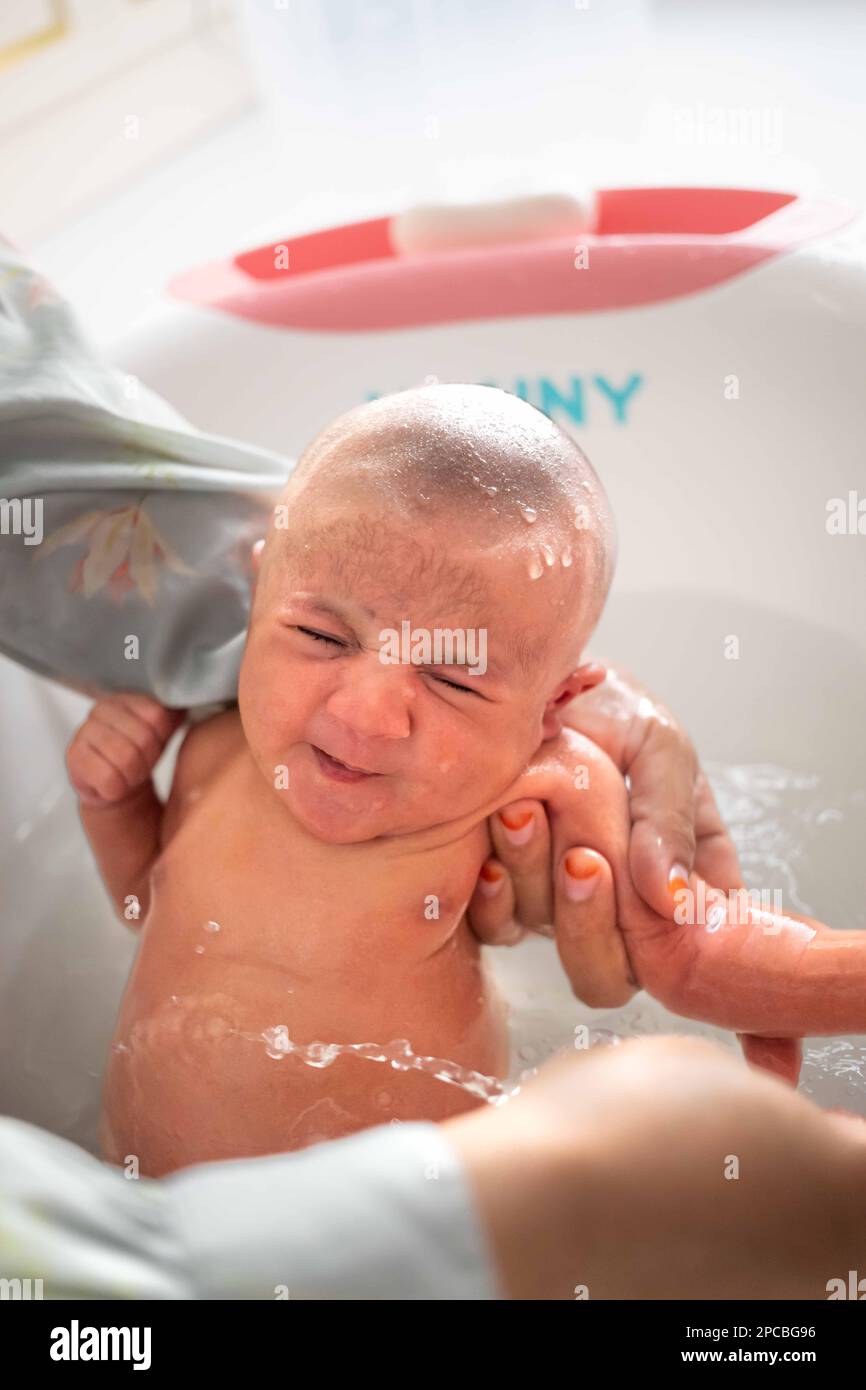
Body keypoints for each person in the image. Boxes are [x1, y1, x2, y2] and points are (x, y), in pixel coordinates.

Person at [67, 385, 864, 1174]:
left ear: (554, 707)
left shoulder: (536, 787)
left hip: (417, 1233)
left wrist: (811, 983)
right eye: (320, 635)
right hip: (139, 1210)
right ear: (257, 589)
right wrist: (115, 800)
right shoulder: (213, 746)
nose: (368, 715)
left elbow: (687, 946)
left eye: (453, 681)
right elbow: (149, 904)